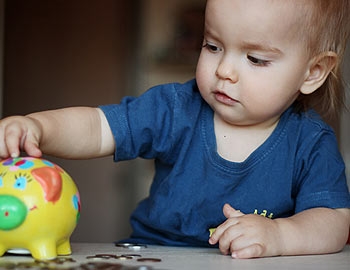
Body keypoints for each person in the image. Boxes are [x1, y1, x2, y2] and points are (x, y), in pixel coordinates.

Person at [0, 0, 349, 259]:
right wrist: (38, 126)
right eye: (212, 46)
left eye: (255, 59)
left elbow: (333, 221)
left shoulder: (311, 142)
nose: (224, 69)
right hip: (155, 255)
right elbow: (97, 127)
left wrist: (279, 236)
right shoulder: (175, 108)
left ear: (313, 72)